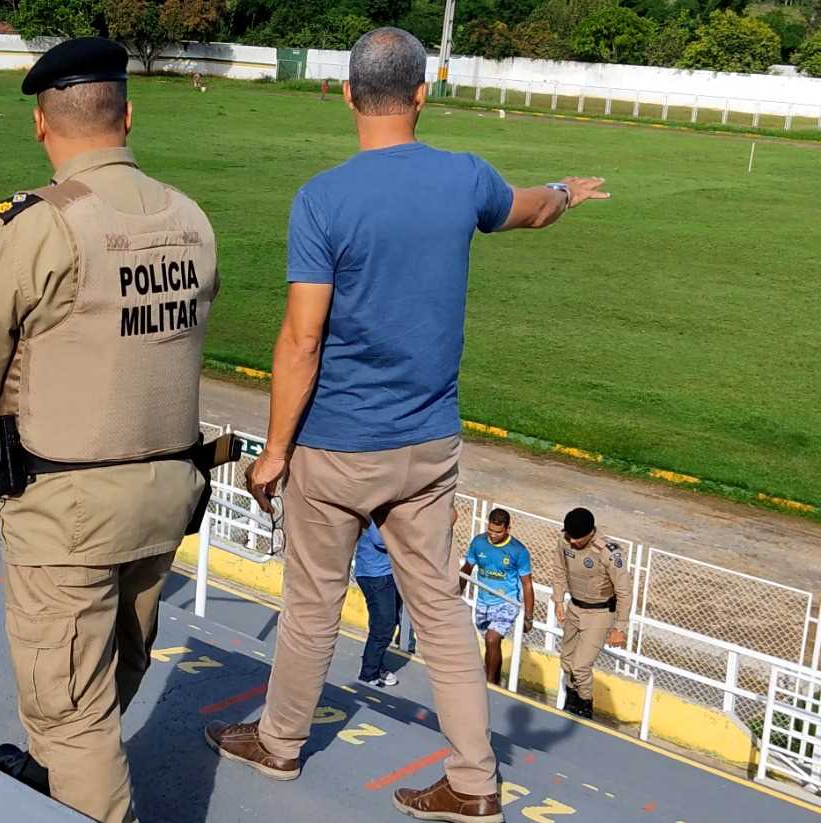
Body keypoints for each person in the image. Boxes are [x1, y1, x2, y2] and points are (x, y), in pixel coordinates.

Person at [203, 27, 608, 823]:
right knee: (441, 613)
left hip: (335, 446)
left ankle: (280, 743)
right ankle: (474, 782)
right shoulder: (464, 178)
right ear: (423, 94)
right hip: (428, 448)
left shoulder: (323, 198)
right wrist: (563, 188)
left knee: (314, 604)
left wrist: (274, 450)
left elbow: (302, 338)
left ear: (349, 95)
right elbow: (530, 211)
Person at [0, 37, 218, 823]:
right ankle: (61, 780)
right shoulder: (190, 218)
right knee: (114, 669)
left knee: (69, 708)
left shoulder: (38, 223)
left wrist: (0, 413)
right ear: (128, 115)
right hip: (166, 495)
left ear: (40, 124)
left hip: (65, 503)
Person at [553, 507, 632, 720]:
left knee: (580, 667)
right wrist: (558, 599)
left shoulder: (609, 553)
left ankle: (585, 706)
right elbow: (560, 569)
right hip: (575, 607)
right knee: (567, 662)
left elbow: (624, 592)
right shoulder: (564, 540)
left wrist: (620, 628)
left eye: (577, 538)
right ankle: (571, 702)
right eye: (569, 536)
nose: (572, 542)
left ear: (590, 533)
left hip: (599, 613)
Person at [458, 508, 534, 686]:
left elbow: (527, 584)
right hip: (483, 602)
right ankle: (495, 680)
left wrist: (529, 616)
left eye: (498, 532)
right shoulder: (478, 542)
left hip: (506, 602)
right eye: (490, 530)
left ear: (508, 529)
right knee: (490, 643)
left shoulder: (519, 551)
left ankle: (490, 685)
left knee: (492, 638)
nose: (493, 535)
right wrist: (455, 594)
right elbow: (467, 570)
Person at [353, 523, 401, 688]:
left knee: (389, 621)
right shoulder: (381, 505)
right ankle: (369, 673)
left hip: (386, 573)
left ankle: (375, 663)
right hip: (375, 575)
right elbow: (379, 539)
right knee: (383, 626)